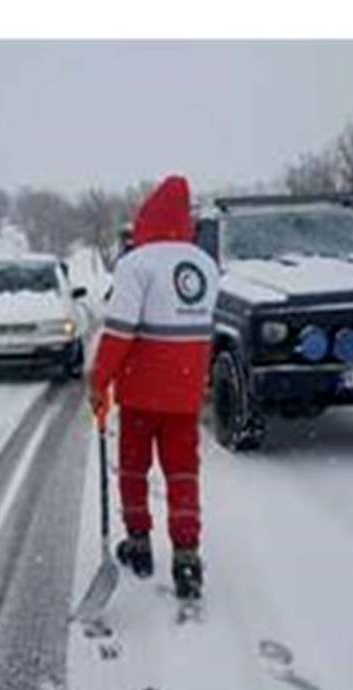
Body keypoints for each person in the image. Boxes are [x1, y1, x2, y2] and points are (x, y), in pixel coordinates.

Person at [88, 175, 219, 600]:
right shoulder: (205, 265)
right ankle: (186, 557)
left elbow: (119, 332)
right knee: (183, 474)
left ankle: (139, 545)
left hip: (142, 393)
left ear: (147, 217)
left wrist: (99, 380)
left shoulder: (137, 264)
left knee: (133, 469)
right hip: (184, 396)